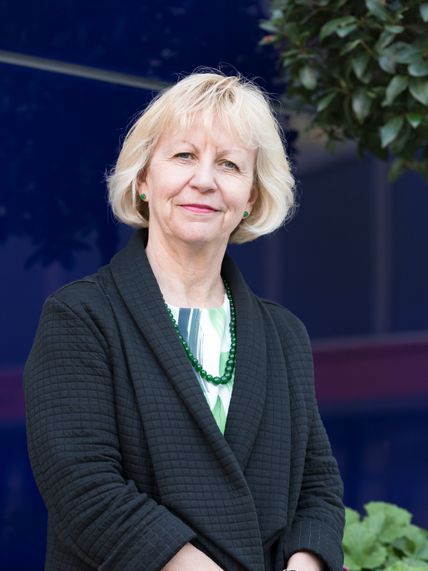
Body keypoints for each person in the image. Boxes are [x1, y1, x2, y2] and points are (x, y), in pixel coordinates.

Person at [24, 71, 345, 571]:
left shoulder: (284, 334)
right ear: (145, 179)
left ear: (252, 197)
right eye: (184, 156)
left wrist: (307, 562)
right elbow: (84, 486)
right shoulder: (81, 316)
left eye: (230, 164)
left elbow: (317, 485)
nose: (204, 180)